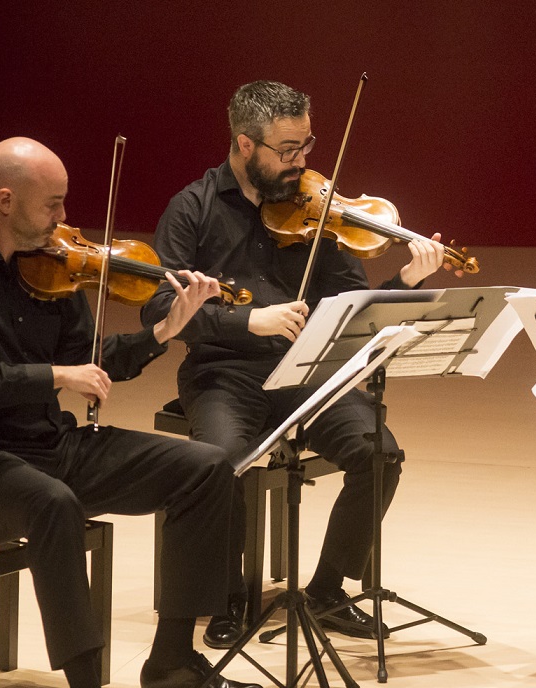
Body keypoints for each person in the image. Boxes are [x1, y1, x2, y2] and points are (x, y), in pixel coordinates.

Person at [0, 137, 266, 688]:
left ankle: (173, 661)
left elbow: (93, 364)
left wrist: (164, 330)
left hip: (49, 442)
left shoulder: (58, 268)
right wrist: (51, 377)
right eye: (53, 205)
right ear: (5, 199)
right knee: (54, 506)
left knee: (205, 466)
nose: (64, 220)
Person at [141, 80, 451, 647]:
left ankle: (328, 591)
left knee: (379, 455)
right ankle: (228, 596)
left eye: (306, 146)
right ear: (244, 145)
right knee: (221, 462)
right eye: (286, 151)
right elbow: (159, 306)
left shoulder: (318, 212)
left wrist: (407, 282)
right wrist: (247, 321)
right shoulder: (193, 208)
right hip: (223, 370)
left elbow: (352, 307)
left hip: (304, 368)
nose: (301, 162)